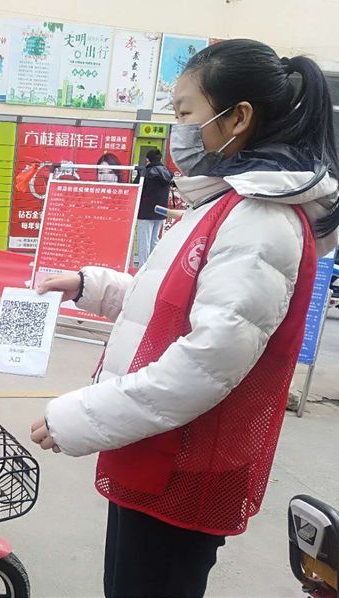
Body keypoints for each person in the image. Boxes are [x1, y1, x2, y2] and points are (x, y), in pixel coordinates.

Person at [30, 39, 339, 598]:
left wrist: (79, 417)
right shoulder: (227, 203)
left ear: (238, 117)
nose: (179, 131)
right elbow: (174, 303)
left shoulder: (259, 220)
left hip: (186, 463)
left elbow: (205, 364)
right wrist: (91, 287)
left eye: (186, 112)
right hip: (162, 449)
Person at [134, 149, 173, 266]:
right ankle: (153, 265)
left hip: (145, 213)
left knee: (144, 241)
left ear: (148, 159)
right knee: (154, 240)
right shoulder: (167, 173)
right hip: (161, 212)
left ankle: (142, 267)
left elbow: (135, 188)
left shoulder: (145, 173)